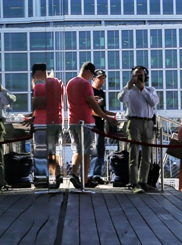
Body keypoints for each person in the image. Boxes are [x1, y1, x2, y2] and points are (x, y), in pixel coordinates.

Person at [68, 63, 116, 190]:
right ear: (89, 72)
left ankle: (73, 173)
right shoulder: (85, 84)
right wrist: (107, 118)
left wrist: (91, 99)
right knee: (87, 152)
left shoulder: (71, 82)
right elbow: (93, 106)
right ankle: (85, 180)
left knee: (77, 150)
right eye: (92, 75)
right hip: (86, 122)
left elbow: (80, 100)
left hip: (73, 121)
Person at [118, 66, 159, 194]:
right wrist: (129, 85)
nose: (139, 77)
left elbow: (154, 102)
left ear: (146, 76)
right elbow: (121, 98)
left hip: (148, 122)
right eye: (136, 75)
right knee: (134, 153)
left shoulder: (150, 89)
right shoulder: (129, 90)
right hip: (134, 121)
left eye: (141, 75)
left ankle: (144, 181)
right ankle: (134, 182)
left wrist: (143, 89)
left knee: (147, 155)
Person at [30, 64, 64, 187]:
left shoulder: (39, 86)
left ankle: (44, 178)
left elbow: (37, 103)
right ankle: (57, 175)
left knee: (41, 153)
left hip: (41, 122)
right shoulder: (58, 83)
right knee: (53, 151)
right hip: (56, 120)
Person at [87, 69, 109, 184]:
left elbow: (102, 110)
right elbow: (91, 110)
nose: (102, 80)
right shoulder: (90, 90)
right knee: (94, 150)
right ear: (93, 78)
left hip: (100, 125)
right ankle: (90, 174)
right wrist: (107, 116)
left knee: (100, 149)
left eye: (103, 78)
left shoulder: (102, 92)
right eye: (100, 78)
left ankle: (97, 173)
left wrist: (114, 115)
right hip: (91, 124)